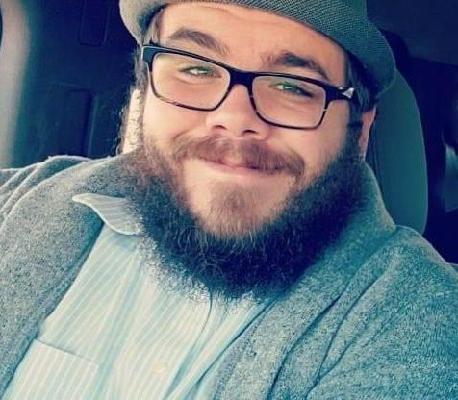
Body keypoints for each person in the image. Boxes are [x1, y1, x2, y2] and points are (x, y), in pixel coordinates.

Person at [0, 0, 457, 398]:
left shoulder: (415, 317)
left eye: (293, 86)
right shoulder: (20, 199)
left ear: (359, 132)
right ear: (145, 85)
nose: (234, 118)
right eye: (195, 68)